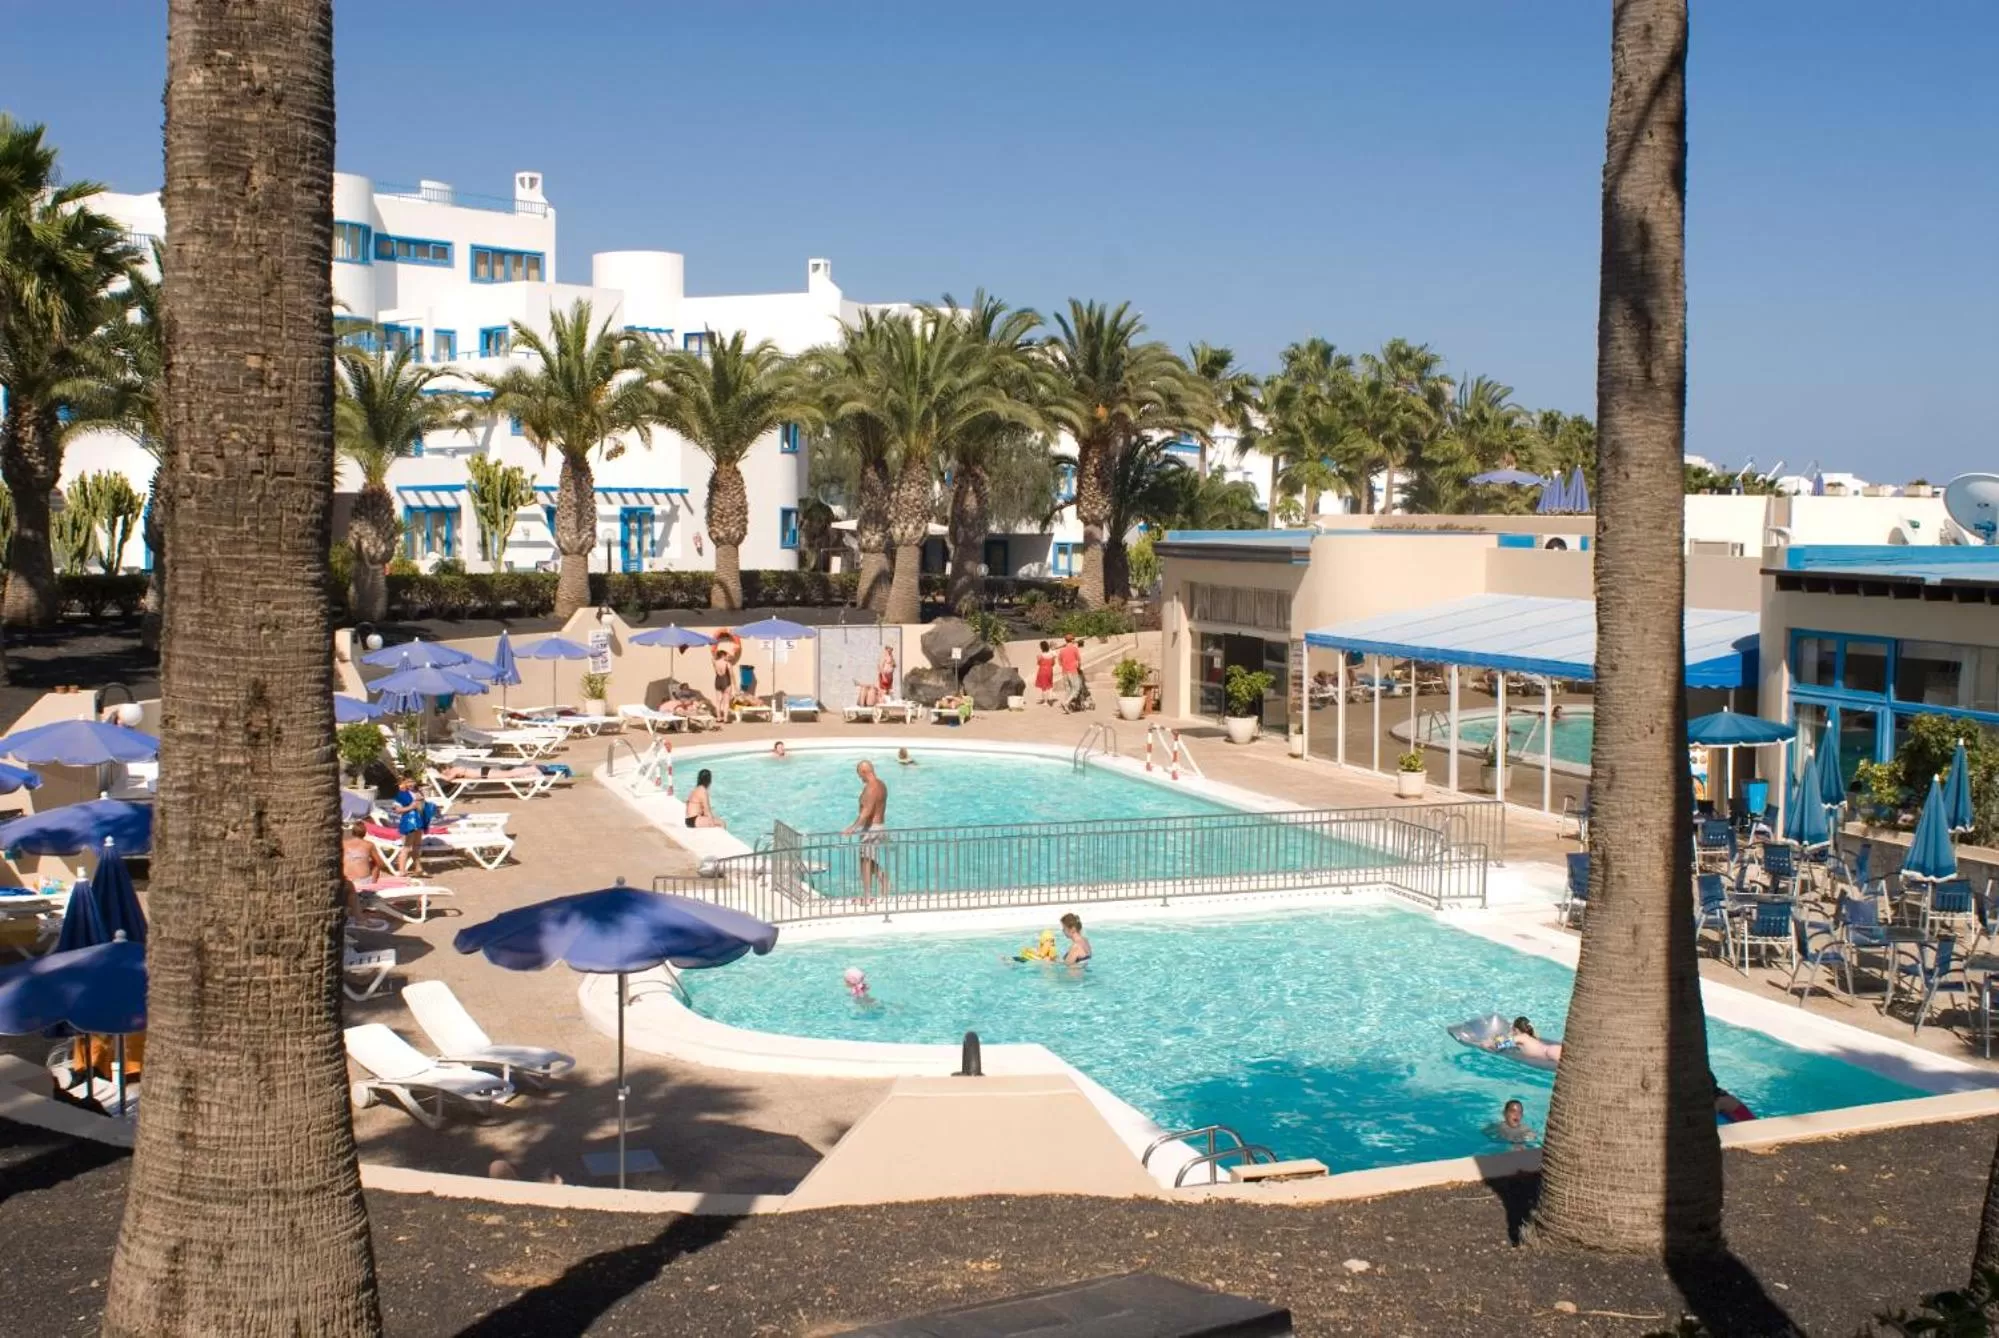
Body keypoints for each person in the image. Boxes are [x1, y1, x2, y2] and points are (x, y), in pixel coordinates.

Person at [844, 759, 889, 900]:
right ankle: (883, 879)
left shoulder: (871, 788)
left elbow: (867, 811)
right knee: (867, 860)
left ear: (864, 772)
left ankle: (868, 895)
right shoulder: (882, 785)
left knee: (865, 861)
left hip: (871, 828)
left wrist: (853, 827)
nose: (860, 779)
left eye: (860, 775)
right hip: (880, 826)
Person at [391, 773, 429, 876]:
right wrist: (410, 807)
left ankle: (418, 868)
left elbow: (422, 807)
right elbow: (397, 810)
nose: (411, 784)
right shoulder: (402, 794)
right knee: (407, 847)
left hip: (419, 822)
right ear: (404, 783)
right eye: (408, 782)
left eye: (412, 781)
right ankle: (402, 871)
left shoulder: (419, 792)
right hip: (408, 822)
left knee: (416, 847)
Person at [1488, 1016, 1562, 1065]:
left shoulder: (1520, 1037)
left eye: (1512, 1029)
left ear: (1516, 1029)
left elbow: (1499, 1045)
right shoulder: (1530, 1037)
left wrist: (1488, 1043)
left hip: (1550, 1052)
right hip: (1552, 1049)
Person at [1056, 634, 1084, 711]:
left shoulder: (1062, 650)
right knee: (1076, 688)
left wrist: (1064, 665)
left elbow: (1059, 661)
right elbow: (1079, 660)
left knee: (1068, 689)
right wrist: (1078, 667)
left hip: (1064, 671)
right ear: (1072, 640)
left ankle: (1066, 706)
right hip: (1073, 671)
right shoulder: (1074, 649)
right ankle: (1066, 702)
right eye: (1073, 640)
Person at [1034, 640, 1057, 706]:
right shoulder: (1051, 656)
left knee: (1044, 687)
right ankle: (1050, 698)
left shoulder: (1040, 656)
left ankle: (1045, 701)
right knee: (1049, 685)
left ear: (1041, 648)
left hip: (1042, 671)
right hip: (1050, 670)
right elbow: (1053, 664)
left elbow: (1038, 663)